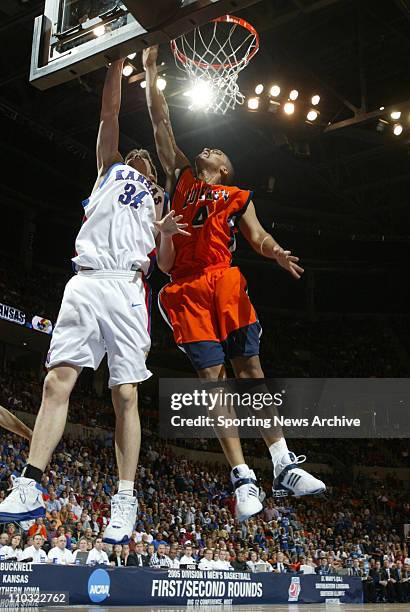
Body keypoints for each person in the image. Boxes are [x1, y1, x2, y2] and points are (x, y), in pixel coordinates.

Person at [0, 56, 187, 544]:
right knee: (55, 382)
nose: (141, 163)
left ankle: (125, 500)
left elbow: (166, 265)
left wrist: (165, 233)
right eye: (137, 159)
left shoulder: (161, 201)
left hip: (127, 287)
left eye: (147, 163)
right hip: (85, 281)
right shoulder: (109, 171)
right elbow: (110, 113)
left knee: (124, 394)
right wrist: (116, 62)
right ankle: (29, 485)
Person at [143, 45, 325, 522]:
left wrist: (277, 252)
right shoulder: (181, 175)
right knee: (215, 382)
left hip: (225, 281)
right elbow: (162, 126)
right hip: (186, 287)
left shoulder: (235, 195)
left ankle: (283, 461)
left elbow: (259, 236)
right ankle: (244, 478)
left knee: (252, 373)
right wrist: (149, 71)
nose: (209, 148)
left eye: (218, 152)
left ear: (224, 170)